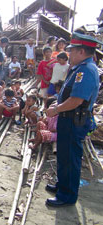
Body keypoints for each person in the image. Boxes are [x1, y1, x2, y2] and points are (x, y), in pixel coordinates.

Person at [46, 32, 101, 207]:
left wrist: (55, 109)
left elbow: (77, 100)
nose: (69, 54)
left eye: (72, 51)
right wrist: (58, 103)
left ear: (82, 52)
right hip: (68, 118)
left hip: (74, 120)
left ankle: (67, 196)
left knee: (71, 159)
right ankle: (62, 186)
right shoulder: (79, 68)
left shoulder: (86, 71)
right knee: (63, 155)